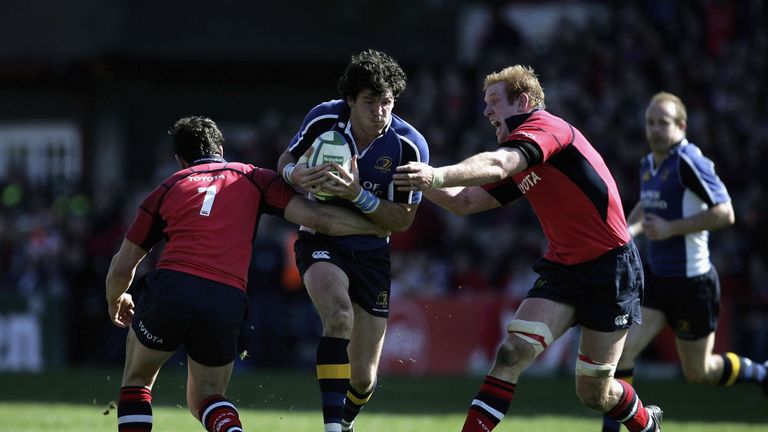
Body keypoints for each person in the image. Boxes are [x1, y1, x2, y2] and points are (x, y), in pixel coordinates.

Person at [394, 65, 663, 432]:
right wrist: (413, 178)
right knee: (510, 353)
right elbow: (467, 202)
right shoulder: (525, 155)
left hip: (611, 268)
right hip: (564, 268)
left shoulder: (546, 129)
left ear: (523, 101)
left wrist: (436, 174)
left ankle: (646, 424)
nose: (487, 111)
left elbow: (498, 163)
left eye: (494, 102)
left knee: (594, 392)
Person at [106, 116, 387, 432]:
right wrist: (381, 224)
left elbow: (122, 266)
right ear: (221, 149)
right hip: (224, 298)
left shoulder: (168, 186)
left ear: (179, 160)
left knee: (137, 380)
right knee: (208, 397)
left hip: (172, 287)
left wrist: (116, 299)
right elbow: (317, 217)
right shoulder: (253, 177)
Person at [276, 49, 429, 432]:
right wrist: (297, 175)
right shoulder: (325, 117)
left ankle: (344, 420)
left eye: (387, 102)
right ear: (351, 100)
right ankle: (331, 429)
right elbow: (285, 161)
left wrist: (357, 195)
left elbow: (403, 220)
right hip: (322, 240)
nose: (379, 111)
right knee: (339, 316)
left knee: (363, 379)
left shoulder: (410, 147)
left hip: (374, 253)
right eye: (369, 102)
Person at [601, 92, 768, 431]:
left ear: (681, 126)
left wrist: (670, 228)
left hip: (694, 285)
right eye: (650, 123)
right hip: (658, 280)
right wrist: (626, 233)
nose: (655, 129)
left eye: (663, 123)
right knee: (622, 352)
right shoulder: (649, 164)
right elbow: (646, 206)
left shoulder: (690, 161)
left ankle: (763, 373)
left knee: (700, 372)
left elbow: (726, 213)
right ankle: (617, 428)